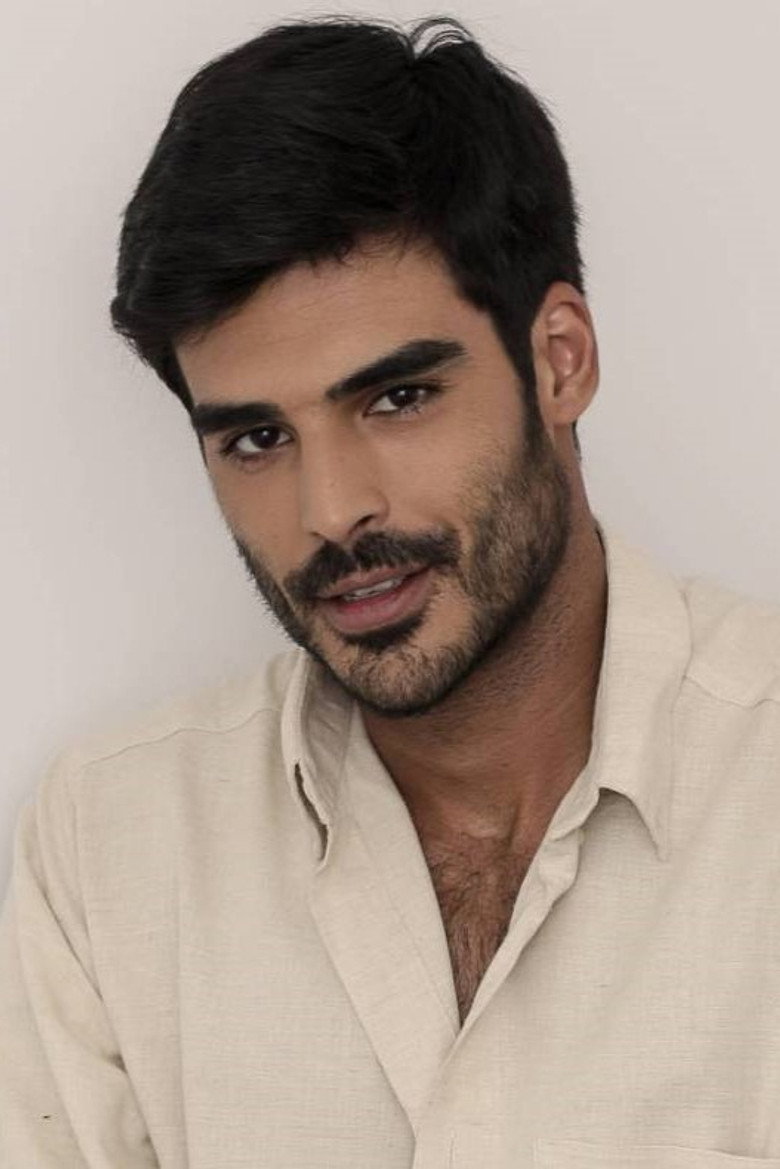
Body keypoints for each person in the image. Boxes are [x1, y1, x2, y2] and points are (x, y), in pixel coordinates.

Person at [2, 13, 779, 1168]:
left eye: (397, 399)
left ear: (559, 359)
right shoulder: (114, 842)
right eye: (256, 437)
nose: (331, 510)